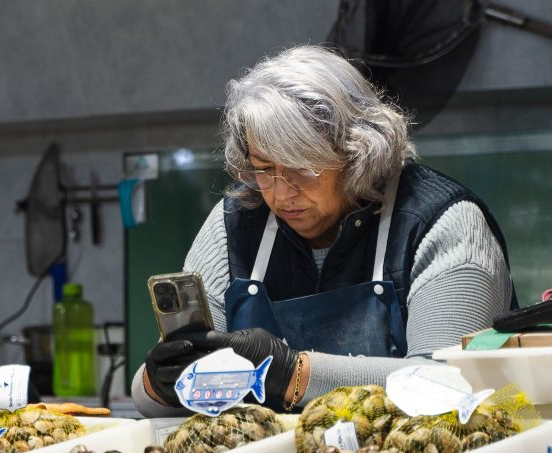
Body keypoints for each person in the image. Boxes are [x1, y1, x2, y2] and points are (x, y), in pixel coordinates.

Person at [133, 44, 515, 416]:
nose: (282, 194)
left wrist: (294, 373)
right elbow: (161, 390)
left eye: (302, 168)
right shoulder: (233, 226)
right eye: (265, 168)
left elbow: (450, 386)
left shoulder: (442, 222)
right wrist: (159, 382)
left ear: (358, 151)